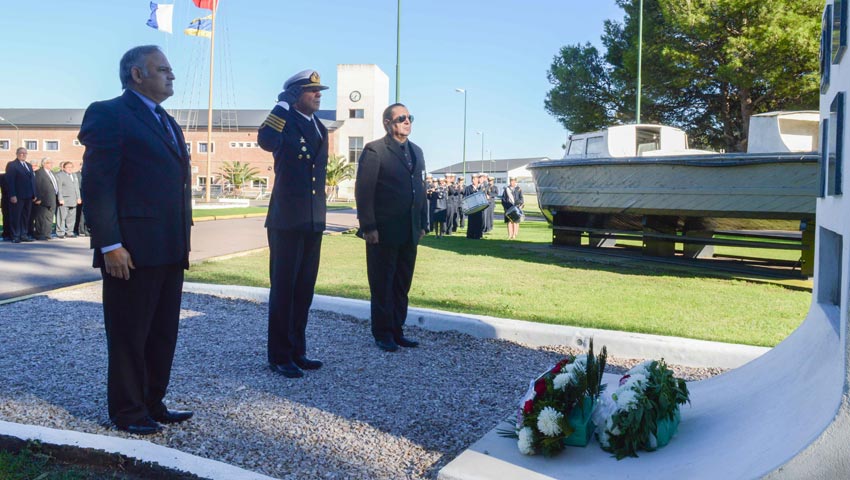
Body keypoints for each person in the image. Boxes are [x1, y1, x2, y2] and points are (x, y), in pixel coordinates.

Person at [79, 45, 193, 435]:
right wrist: (109, 244)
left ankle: (152, 402)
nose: (171, 75)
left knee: (163, 332)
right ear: (137, 75)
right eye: (163, 69)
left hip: (170, 246)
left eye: (170, 69)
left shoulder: (167, 121)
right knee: (130, 334)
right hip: (131, 250)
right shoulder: (109, 114)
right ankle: (127, 412)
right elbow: (97, 186)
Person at [258, 69, 329, 379]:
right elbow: (265, 141)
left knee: (304, 290)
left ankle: (298, 350)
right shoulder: (284, 121)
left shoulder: (320, 128)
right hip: (286, 219)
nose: (318, 94)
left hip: (312, 219)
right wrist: (281, 106)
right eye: (311, 90)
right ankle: (280, 355)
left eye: (319, 90)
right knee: (284, 289)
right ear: (295, 94)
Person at [355, 103, 428, 352]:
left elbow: (421, 189)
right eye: (401, 118)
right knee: (382, 283)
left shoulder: (416, 151)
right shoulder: (375, 150)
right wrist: (368, 226)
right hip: (383, 231)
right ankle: (383, 332)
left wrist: (423, 223)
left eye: (410, 117)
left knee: (401, 283)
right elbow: (364, 192)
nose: (407, 122)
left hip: (409, 230)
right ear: (387, 123)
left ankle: (397, 329)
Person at [5, 147, 36, 243]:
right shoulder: (12, 165)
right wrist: (12, 195)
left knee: (25, 216)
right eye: (21, 153)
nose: (23, 155)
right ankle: (15, 235)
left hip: (28, 196)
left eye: (25, 153)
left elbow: (32, 181)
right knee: (16, 216)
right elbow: (10, 181)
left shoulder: (29, 165)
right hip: (17, 196)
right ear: (17, 153)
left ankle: (24, 234)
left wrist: (34, 194)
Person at [32, 157, 58, 240]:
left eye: (51, 162)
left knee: (49, 217)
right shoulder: (39, 173)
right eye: (49, 163)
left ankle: (47, 234)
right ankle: (39, 234)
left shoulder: (52, 173)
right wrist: (38, 198)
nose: (51, 164)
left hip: (52, 198)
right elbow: (37, 185)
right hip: (42, 199)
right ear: (44, 164)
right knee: (40, 217)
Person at [56, 161, 82, 239]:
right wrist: (60, 198)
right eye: (68, 167)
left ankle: (69, 232)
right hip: (64, 199)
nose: (70, 169)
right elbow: (59, 188)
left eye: (71, 167)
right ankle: (60, 232)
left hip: (73, 199)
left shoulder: (74, 175)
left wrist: (79, 198)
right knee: (62, 217)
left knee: (71, 217)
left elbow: (76, 188)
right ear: (64, 168)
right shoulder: (60, 175)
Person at [464, 173, 486, 239]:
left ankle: (478, 235)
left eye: (475, 179)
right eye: (472, 179)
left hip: (479, 207)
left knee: (479, 221)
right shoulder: (468, 188)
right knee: (471, 221)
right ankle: (470, 235)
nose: (473, 180)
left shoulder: (481, 188)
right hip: (472, 208)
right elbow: (466, 197)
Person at [74, 162, 90, 237]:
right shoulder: (76, 175)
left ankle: (86, 230)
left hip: (87, 198)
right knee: (78, 215)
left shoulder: (89, 174)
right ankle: (77, 230)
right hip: (79, 197)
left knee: (85, 214)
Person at [0, 168, 9, 241]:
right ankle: (6, 233)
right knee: (6, 217)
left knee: (7, 217)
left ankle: (7, 233)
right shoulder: (2, 177)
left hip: (6, 199)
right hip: (6, 199)